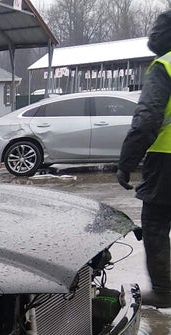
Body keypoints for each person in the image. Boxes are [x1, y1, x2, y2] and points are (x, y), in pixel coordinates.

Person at [116, 9, 171, 309]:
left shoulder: (165, 65)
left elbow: (147, 119)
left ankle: (164, 289)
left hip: (166, 159)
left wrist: (126, 162)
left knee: (155, 224)